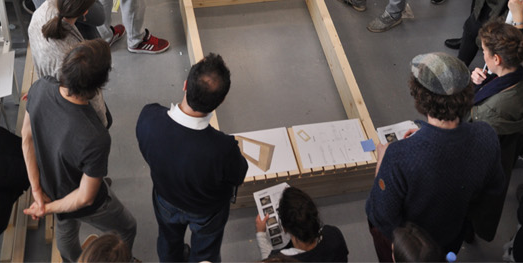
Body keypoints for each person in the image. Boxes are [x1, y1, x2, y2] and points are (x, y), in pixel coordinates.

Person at [364, 50, 508, 260]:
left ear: (420, 98)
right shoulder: (486, 135)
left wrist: (381, 166)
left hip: (412, 251)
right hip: (451, 237)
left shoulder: (398, 156)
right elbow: (492, 190)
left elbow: (381, 215)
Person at [22, 40, 138, 261]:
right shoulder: (96, 137)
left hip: (52, 188)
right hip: (84, 202)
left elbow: (26, 140)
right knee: (128, 228)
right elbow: (85, 198)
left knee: (66, 233)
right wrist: (46, 208)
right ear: (99, 86)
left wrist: (39, 193)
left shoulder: (40, 87)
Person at [136, 54, 248, 262]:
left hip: (165, 199)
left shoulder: (149, 118)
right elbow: (238, 175)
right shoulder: (223, 149)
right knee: (205, 252)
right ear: (221, 100)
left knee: (168, 241)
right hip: (206, 212)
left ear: (185, 85)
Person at [29, 0, 111, 125]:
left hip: (43, 83)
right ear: (85, 11)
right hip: (64, 101)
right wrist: (103, 122)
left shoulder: (45, 8)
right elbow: (92, 97)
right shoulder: (74, 56)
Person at [467, 19, 523, 171]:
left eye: (483, 51)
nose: (483, 56)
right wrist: (483, 81)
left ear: (496, 59)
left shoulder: (488, 112)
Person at [256, 186, 349, 261]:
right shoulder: (333, 234)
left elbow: (268, 260)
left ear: (285, 228)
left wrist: (261, 234)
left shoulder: (281, 259)